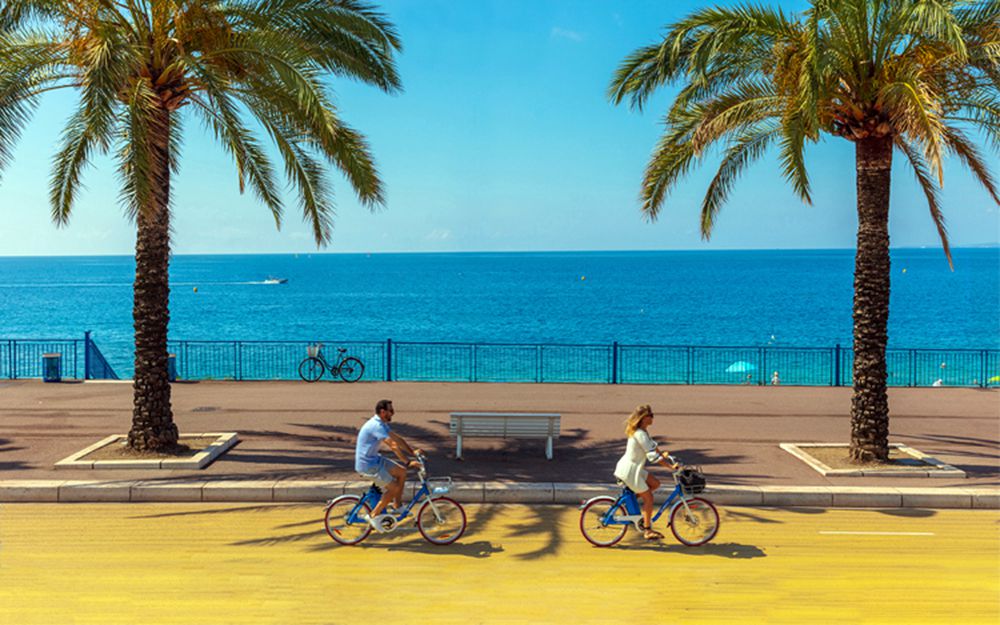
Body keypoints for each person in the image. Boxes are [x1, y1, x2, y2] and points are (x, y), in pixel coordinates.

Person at [613, 404, 679, 540]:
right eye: (651, 415)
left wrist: (664, 455)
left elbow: (652, 447)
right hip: (630, 470)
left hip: (635, 469)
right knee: (648, 497)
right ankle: (648, 530)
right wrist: (670, 467)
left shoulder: (643, 432)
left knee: (655, 484)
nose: (653, 417)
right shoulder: (640, 434)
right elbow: (652, 456)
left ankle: (629, 502)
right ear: (643, 418)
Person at [354, 399, 421, 529]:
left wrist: (412, 451)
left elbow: (398, 439)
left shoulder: (382, 423)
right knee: (394, 487)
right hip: (367, 465)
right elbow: (393, 445)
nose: (393, 413)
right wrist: (407, 461)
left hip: (375, 460)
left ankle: (397, 505)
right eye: (391, 411)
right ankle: (373, 515)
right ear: (383, 412)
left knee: (401, 472)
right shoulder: (376, 426)